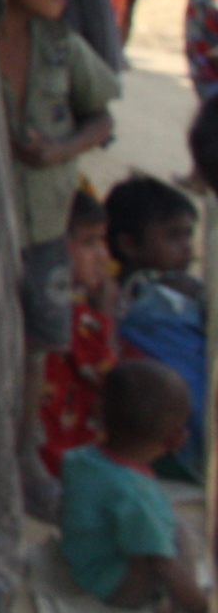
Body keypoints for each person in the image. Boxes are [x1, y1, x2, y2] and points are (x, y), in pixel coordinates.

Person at [0, 0, 120, 514]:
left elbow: (102, 116)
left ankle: (24, 456)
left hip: (43, 227)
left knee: (36, 345)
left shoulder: (59, 45)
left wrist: (60, 151)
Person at [57, 359, 216, 613]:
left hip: (82, 562)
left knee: (167, 526)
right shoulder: (137, 494)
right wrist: (207, 612)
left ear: (99, 411)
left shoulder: (80, 458)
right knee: (179, 536)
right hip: (118, 588)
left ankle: (183, 602)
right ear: (176, 438)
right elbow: (164, 565)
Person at [108, 174, 208, 481]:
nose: (186, 249)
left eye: (188, 236)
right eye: (173, 237)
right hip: (183, 427)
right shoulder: (141, 295)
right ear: (129, 244)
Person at [37, 188, 122, 478]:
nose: (104, 256)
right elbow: (115, 380)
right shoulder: (77, 317)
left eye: (102, 241)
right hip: (62, 458)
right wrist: (107, 312)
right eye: (89, 243)